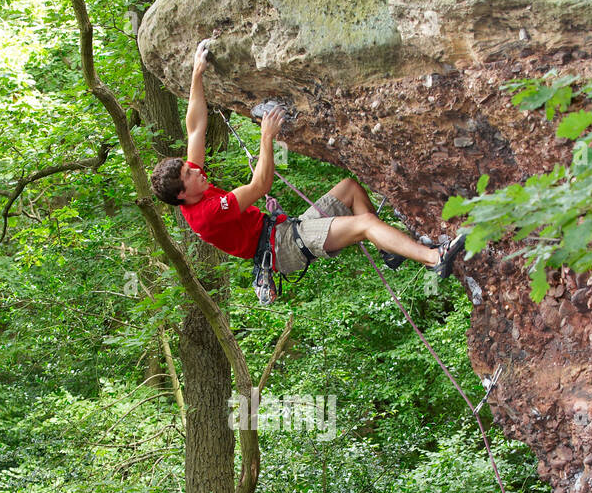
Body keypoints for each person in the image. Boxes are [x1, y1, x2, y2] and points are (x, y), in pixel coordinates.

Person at [150, 41, 467, 303]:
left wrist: (197, 74)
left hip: (283, 230)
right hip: (281, 248)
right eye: (189, 176)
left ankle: (391, 249)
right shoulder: (206, 213)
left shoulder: (192, 182)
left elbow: (195, 129)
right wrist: (266, 136)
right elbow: (260, 185)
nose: (196, 171)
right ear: (181, 195)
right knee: (366, 224)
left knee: (350, 189)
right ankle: (434, 259)